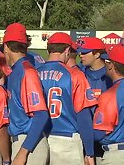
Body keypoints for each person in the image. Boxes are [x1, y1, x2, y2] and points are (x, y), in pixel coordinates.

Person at [37, 32, 98, 165]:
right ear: (67, 50)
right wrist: (89, 152)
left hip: (39, 139)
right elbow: (83, 117)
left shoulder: (34, 73)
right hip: (66, 141)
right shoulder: (75, 75)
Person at [3, 30, 50, 165]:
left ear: (6, 47)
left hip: (30, 145)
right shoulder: (17, 70)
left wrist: (23, 152)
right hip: (23, 142)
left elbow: (41, 115)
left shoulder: (27, 72)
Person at [93, 45, 124, 165]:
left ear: (112, 65)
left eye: (106, 61)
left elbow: (98, 133)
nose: (104, 63)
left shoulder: (111, 95)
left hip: (118, 156)